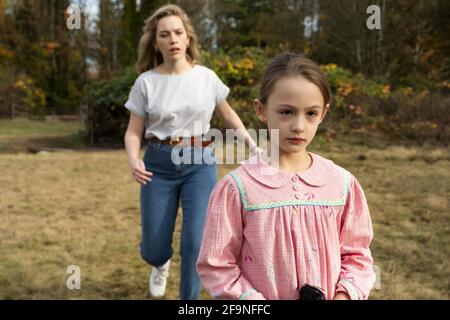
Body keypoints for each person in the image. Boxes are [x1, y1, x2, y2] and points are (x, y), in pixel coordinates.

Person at [196, 52, 376, 300]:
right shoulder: (236, 188)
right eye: (286, 112)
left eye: (310, 113)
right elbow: (216, 264)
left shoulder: (342, 185)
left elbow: (357, 255)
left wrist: (345, 296)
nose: (299, 126)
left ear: (323, 113)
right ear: (261, 110)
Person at [123, 4, 259, 300]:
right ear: (156, 43)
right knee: (153, 248)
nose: (172, 39)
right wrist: (134, 159)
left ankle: (189, 302)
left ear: (187, 39)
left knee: (196, 243)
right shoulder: (146, 82)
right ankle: (160, 263)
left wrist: (253, 146)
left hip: (200, 161)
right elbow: (134, 131)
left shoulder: (206, 77)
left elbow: (229, 116)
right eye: (164, 35)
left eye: (178, 32)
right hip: (157, 164)